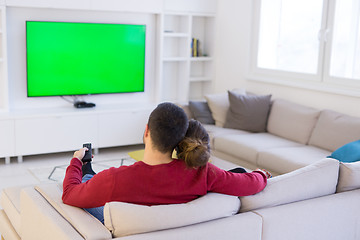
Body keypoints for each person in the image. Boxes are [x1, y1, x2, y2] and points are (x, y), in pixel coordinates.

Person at [62, 102, 270, 223]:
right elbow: (252, 183)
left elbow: (69, 195)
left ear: (146, 132)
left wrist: (75, 162)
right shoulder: (204, 173)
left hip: (122, 221)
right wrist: (261, 173)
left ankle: (86, 171)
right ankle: (89, 173)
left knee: (88, 181)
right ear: (180, 141)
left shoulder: (115, 179)